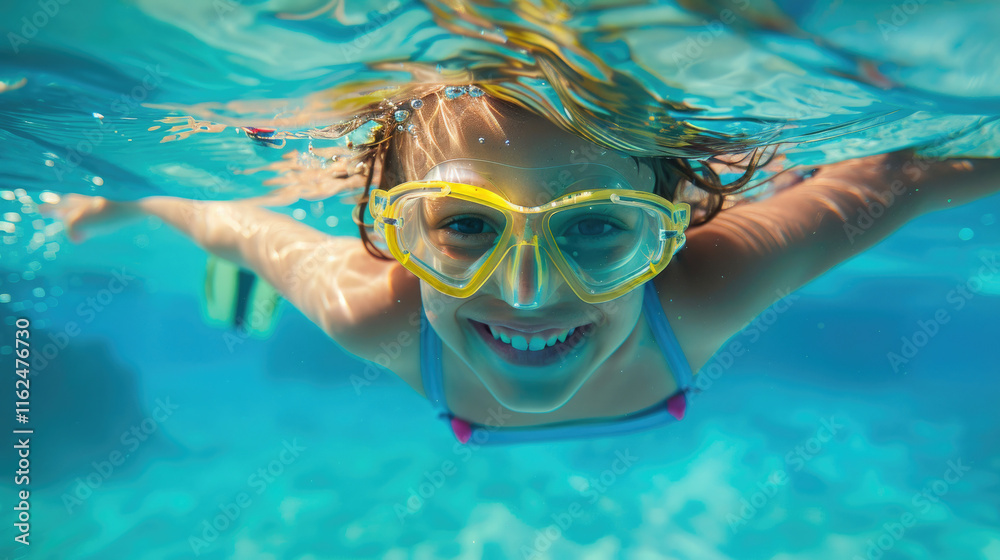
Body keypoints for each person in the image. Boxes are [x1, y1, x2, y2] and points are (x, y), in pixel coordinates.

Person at [45, 86, 1000, 444]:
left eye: (597, 230)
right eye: (463, 226)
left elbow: (905, 174)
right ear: (392, 236)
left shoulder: (706, 281)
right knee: (246, 259)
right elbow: (230, 221)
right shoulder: (372, 306)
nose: (531, 293)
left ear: (673, 229)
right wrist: (126, 197)